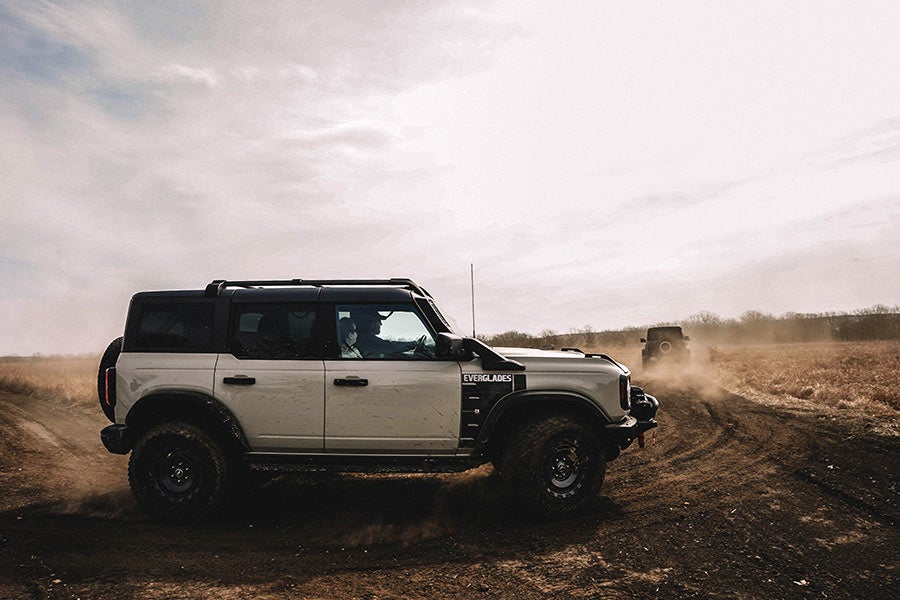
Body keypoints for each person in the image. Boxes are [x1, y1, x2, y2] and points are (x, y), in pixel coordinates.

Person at [351, 308, 417, 358]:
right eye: (378, 320)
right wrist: (413, 344)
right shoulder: (366, 339)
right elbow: (389, 346)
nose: (381, 324)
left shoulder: (363, 338)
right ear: (371, 323)